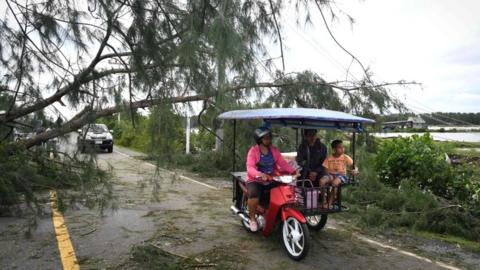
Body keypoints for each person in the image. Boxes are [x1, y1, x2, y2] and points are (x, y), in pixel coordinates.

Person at [246, 126, 296, 232]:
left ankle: (275, 214)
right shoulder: (253, 151)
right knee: (254, 194)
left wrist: (293, 171)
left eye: (269, 137)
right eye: (265, 138)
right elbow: (250, 168)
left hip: (270, 178)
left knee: (283, 190)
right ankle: (252, 219)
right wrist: (259, 174)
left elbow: (282, 163)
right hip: (256, 180)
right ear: (259, 139)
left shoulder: (274, 151)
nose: (268, 139)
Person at [321, 139, 359, 209]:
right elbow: (325, 169)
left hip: (341, 175)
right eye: (340, 147)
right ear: (334, 149)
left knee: (335, 183)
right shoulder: (329, 158)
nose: (342, 149)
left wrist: (355, 170)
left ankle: (330, 203)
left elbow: (354, 166)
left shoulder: (345, 157)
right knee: (322, 181)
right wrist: (329, 175)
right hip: (331, 175)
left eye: (342, 147)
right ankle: (323, 200)